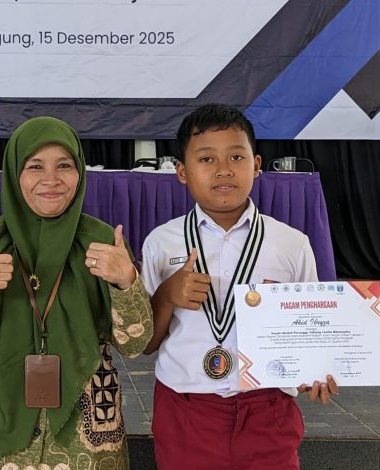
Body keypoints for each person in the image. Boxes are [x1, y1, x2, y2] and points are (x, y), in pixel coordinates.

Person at [0, 116, 153, 469]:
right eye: (35, 166)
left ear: (80, 172)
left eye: (64, 165)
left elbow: (135, 344)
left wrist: (125, 281)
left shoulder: (102, 242)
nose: (51, 179)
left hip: (87, 439)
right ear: (14, 174)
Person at [141, 104, 338, 470]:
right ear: (182, 171)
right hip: (185, 408)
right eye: (206, 159)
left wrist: (315, 368)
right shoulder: (161, 242)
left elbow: (311, 334)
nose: (223, 169)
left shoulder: (292, 244)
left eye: (236, 156)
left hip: (267, 409)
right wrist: (167, 295)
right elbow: (145, 343)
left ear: (257, 164)